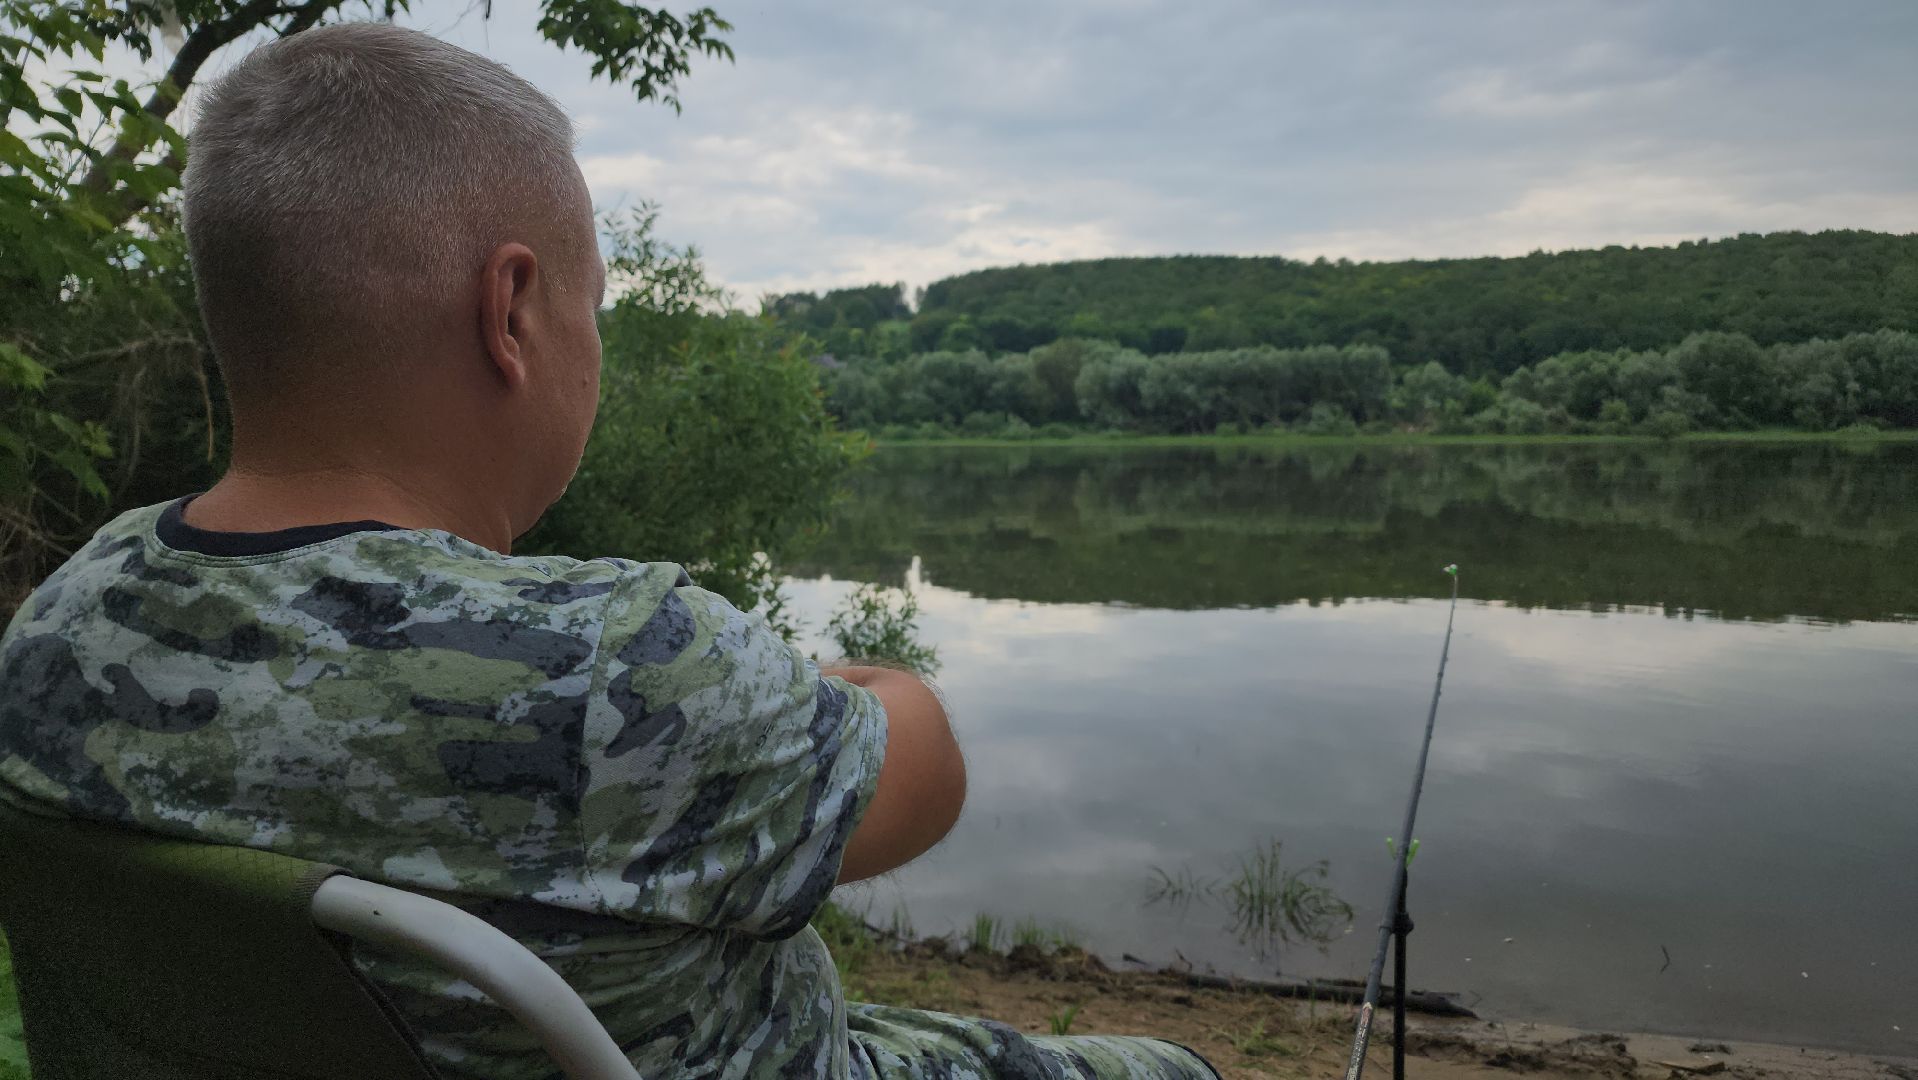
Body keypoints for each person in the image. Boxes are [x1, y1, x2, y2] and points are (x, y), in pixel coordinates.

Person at [0, 22, 1218, 1080]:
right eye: (594, 304)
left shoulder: (63, 622)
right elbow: (925, 771)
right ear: (513, 310)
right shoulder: (620, 668)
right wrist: (819, 686)